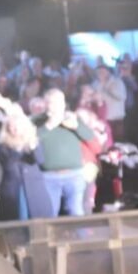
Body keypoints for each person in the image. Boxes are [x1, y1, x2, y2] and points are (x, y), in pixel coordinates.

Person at [36, 89, 94, 217]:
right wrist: (49, 125)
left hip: (74, 174)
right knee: (50, 213)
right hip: (49, 176)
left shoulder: (73, 118)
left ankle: (80, 231)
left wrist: (76, 126)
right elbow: (30, 140)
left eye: (59, 102)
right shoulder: (37, 120)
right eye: (52, 103)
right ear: (46, 104)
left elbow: (89, 136)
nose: (57, 106)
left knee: (76, 212)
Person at [0, 110, 52, 221]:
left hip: (34, 186)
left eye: (18, 126)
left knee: (37, 218)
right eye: (12, 126)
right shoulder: (3, 145)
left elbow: (40, 160)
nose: (15, 129)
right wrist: (17, 149)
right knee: (17, 218)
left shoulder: (33, 141)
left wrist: (32, 147)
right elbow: (7, 164)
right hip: (13, 188)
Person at [93, 64, 126, 140]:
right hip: (103, 118)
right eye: (98, 72)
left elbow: (121, 97)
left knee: (117, 139)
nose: (100, 74)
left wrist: (103, 92)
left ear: (108, 72)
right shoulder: (95, 83)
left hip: (115, 118)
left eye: (102, 72)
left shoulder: (117, 82)